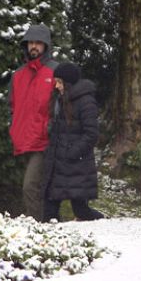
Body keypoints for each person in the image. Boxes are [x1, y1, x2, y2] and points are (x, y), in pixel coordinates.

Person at [42, 62, 104, 222]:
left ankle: (103, 222)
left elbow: (91, 134)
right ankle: (52, 239)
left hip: (76, 163)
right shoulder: (60, 100)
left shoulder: (85, 102)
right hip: (58, 163)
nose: (56, 86)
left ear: (68, 83)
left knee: (81, 211)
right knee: (49, 209)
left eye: (60, 82)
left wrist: (72, 152)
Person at [9, 24, 58, 221]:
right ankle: (45, 225)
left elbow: (63, 105)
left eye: (38, 42)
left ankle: (35, 227)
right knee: (38, 187)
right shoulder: (18, 75)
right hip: (23, 140)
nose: (34, 46)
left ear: (46, 45)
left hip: (45, 140)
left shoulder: (55, 71)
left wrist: (51, 127)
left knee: (30, 186)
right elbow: (12, 105)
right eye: (31, 42)